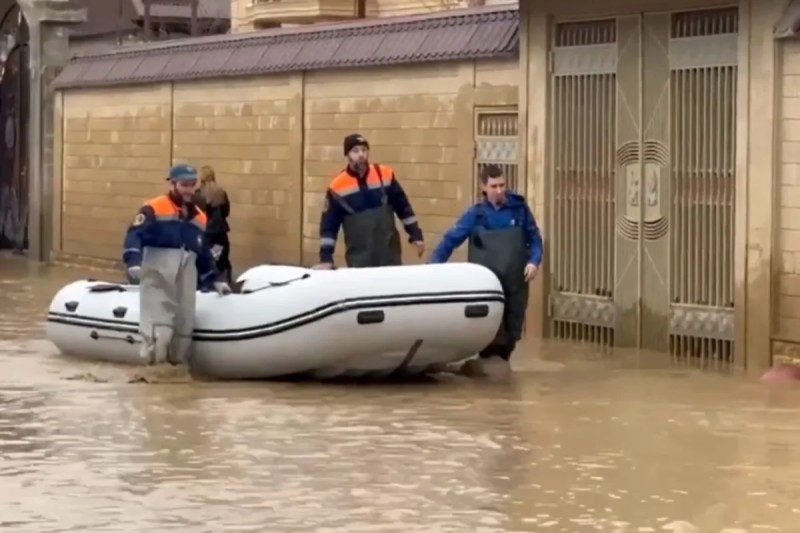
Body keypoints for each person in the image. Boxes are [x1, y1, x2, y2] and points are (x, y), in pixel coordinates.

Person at [429, 164, 543, 371]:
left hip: (516, 282)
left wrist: (533, 262)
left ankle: (502, 376)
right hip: (488, 285)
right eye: (494, 186)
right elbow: (451, 240)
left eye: (502, 185)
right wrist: (431, 268)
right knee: (492, 332)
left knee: (513, 328)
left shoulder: (519, 209)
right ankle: (491, 371)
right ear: (484, 187)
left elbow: (534, 239)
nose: (499, 191)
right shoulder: (476, 215)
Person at [122, 163, 231, 366]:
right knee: (160, 331)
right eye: (184, 185)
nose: (189, 190)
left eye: (192, 185)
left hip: (185, 277)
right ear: (173, 185)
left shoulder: (199, 217)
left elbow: (204, 253)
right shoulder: (153, 208)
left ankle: (177, 376)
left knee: (183, 332)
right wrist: (133, 261)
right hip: (157, 274)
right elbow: (134, 234)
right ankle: (153, 375)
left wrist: (215, 280)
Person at [314, 133, 425, 269]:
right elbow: (328, 227)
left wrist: (415, 234)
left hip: (390, 256)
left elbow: (404, 208)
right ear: (347, 155)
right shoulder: (337, 187)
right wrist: (326, 258)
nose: (361, 154)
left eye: (364, 150)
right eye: (355, 151)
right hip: (360, 261)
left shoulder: (385, 175)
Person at [194, 165, 232, 284]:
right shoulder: (221, 192)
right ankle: (223, 282)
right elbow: (226, 212)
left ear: (202, 179)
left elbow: (196, 215)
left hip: (206, 233)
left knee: (205, 258)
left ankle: (206, 283)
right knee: (221, 259)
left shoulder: (198, 195)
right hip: (220, 232)